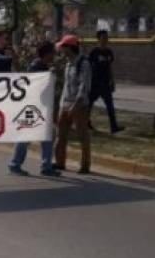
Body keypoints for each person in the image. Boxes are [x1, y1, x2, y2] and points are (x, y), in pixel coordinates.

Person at [8, 41, 60, 177]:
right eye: (52, 53)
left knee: (47, 136)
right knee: (26, 136)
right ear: (47, 54)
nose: (54, 55)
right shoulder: (37, 67)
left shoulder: (42, 66)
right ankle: (15, 164)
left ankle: (45, 165)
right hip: (33, 107)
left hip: (41, 107)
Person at [54, 34, 92, 174]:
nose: (61, 50)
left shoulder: (84, 63)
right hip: (65, 104)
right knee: (60, 134)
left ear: (70, 48)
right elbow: (66, 86)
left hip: (79, 105)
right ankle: (59, 162)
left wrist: (76, 105)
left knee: (82, 135)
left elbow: (84, 86)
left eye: (63, 47)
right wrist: (62, 105)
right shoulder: (68, 63)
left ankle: (85, 165)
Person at [88, 30, 124, 134]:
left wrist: (112, 80)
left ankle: (114, 127)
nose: (106, 39)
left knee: (110, 106)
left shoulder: (109, 52)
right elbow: (89, 68)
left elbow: (109, 67)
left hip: (105, 83)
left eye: (107, 37)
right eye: (103, 37)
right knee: (89, 105)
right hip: (95, 83)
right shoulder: (94, 52)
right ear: (98, 39)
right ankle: (86, 123)